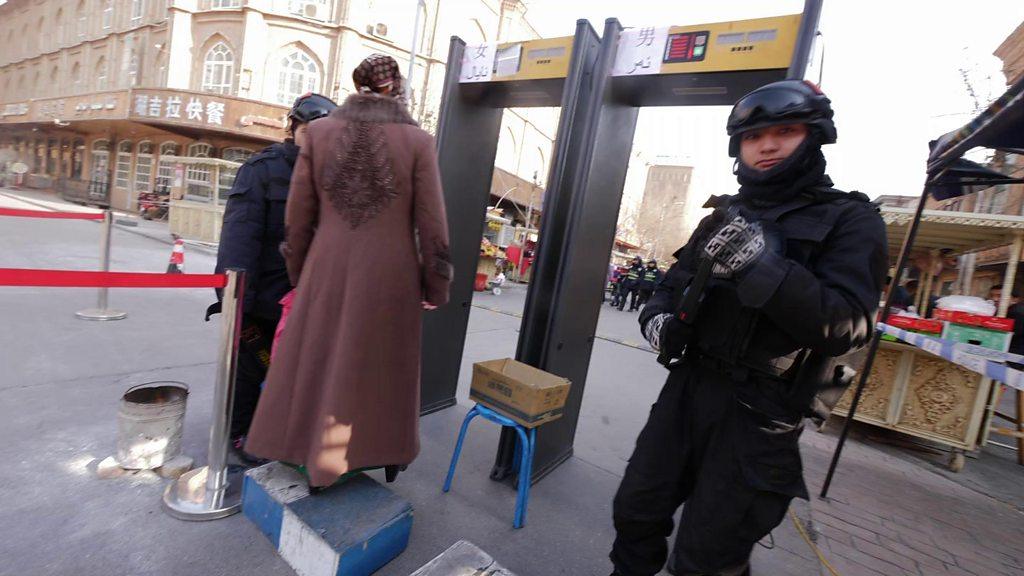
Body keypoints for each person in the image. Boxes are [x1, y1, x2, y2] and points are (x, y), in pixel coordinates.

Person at [610, 80, 887, 576]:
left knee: (707, 558)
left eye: (786, 131)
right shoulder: (723, 216)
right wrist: (657, 323)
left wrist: (761, 266)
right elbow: (667, 288)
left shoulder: (852, 220)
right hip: (687, 390)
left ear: (814, 135)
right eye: (753, 136)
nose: (768, 145)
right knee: (635, 512)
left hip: (761, 411)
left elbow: (849, 325)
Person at [244, 54, 451, 488]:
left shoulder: (318, 133)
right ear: (398, 89)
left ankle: (310, 457)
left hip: (327, 266)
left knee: (321, 361)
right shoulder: (418, 142)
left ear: (356, 86)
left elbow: (297, 218)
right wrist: (436, 285)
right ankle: (374, 453)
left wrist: (300, 273)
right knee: (377, 368)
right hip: (391, 274)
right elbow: (432, 224)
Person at [212, 92, 337, 465]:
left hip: (308, 300)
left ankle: (280, 430)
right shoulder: (262, 169)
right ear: (294, 127)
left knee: (295, 374)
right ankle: (239, 434)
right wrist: (235, 304)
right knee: (251, 371)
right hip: (263, 298)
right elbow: (239, 237)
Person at [990, 285, 1024, 354]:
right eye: (991, 295)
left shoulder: (1017, 314)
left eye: (1000, 296)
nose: (994, 299)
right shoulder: (1000, 311)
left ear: (1015, 300)